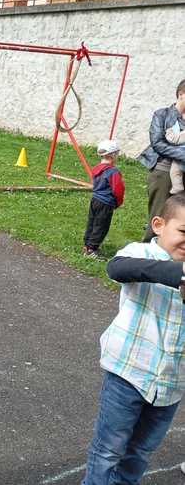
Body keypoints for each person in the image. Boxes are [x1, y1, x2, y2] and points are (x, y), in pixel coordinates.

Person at [81, 192, 185, 485]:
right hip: (128, 375)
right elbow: (116, 268)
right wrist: (177, 273)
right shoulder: (142, 253)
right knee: (108, 451)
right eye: (183, 231)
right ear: (158, 225)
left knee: (140, 452)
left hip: (171, 384)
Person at [137, 78, 185, 241]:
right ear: (181, 94)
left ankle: (174, 252)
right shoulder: (162, 114)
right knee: (159, 215)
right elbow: (157, 143)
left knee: (180, 218)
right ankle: (147, 251)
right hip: (164, 172)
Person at [82, 139, 124, 257]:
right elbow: (118, 189)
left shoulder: (96, 169)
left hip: (95, 200)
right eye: (117, 153)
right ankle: (92, 250)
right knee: (101, 226)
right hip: (105, 203)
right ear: (112, 155)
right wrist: (118, 202)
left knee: (92, 222)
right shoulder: (113, 172)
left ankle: (87, 245)